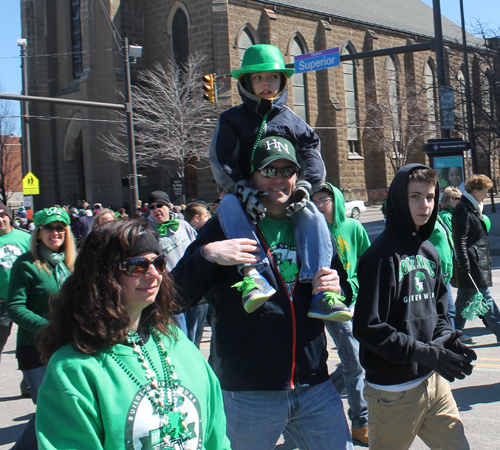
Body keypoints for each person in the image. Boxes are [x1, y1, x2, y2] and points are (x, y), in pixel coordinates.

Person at [172, 144, 354, 450]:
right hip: (248, 394)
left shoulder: (313, 226)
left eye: (287, 171)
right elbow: (176, 298)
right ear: (252, 177)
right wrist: (206, 255)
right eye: (269, 170)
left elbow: (343, 288)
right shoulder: (225, 227)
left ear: (298, 177)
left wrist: (340, 287)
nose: (278, 179)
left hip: (314, 385)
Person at [35, 220, 230, 450]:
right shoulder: (74, 368)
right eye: (136, 266)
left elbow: (216, 440)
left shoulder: (177, 343)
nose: (153, 274)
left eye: (158, 263)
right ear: (102, 274)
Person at [210, 44, 350, 322]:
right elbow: (221, 157)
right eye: (259, 78)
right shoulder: (231, 119)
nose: (266, 83)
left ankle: (321, 291)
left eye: (273, 77)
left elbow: (311, 155)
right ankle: (253, 275)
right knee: (227, 205)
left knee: (311, 212)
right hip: (243, 194)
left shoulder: (295, 122)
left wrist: (305, 187)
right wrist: (240, 187)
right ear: (247, 82)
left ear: (282, 81)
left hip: (287, 198)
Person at [353, 164, 476, 450]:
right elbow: (368, 328)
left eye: (431, 197)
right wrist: (427, 353)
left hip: (434, 383)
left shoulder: (428, 251)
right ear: (398, 198)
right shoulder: (381, 257)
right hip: (394, 391)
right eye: (415, 197)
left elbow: (441, 311)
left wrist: (447, 341)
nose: (425, 205)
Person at [7, 207, 76, 449]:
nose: (55, 232)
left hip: (70, 347)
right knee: (51, 408)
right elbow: (15, 307)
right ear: (38, 233)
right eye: (48, 227)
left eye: (60, 227)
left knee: (64, 408)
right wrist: (48, 327)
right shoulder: (26, 264)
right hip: (36, 349)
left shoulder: (72, 264)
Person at [312, 183, 370, 445]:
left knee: (354, 362)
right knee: (355, 362)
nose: (318, 205)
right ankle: (361, 422)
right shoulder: (312, 231)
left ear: (335, 200)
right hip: (332, 305)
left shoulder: (353, 228)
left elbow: (367, 260)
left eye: (323, 200)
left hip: (357, 300)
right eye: (314, 201)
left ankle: (315, 402)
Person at [147, 190, 206, 345]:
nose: (156, 209)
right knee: (180, 335)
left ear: (169, 206)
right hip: (169, 290)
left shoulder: (184, 226)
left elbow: (197, 248)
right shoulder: (147, 231)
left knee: (194, 334)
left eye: (160, 205)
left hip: (192, 286)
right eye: (152, 207)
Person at [452, 174, 500, 343]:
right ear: (475, 191)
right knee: (485, 298)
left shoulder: (473, 206)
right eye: (485, 191)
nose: (487, 195)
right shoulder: (464, 208)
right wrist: (464, 262)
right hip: (472, 262)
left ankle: (453, 332)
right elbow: (460, 238)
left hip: (475, 260)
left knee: (465, 299)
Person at [0, 202, 31, 364]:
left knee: (31, 345)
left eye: (2, 215)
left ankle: (28, 384)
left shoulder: (25, 238)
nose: (0, 219)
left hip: (26, 302)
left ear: (9, 217)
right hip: (2, 303)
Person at [429, 187, 461, 333]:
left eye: (430, 198)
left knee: (448, 310)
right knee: (449, 311)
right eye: (456, 199)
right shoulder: (443, 217)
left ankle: (451, 339)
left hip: (445, 273)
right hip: (436, 274)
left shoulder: (440, 218)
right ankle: (451, 342)